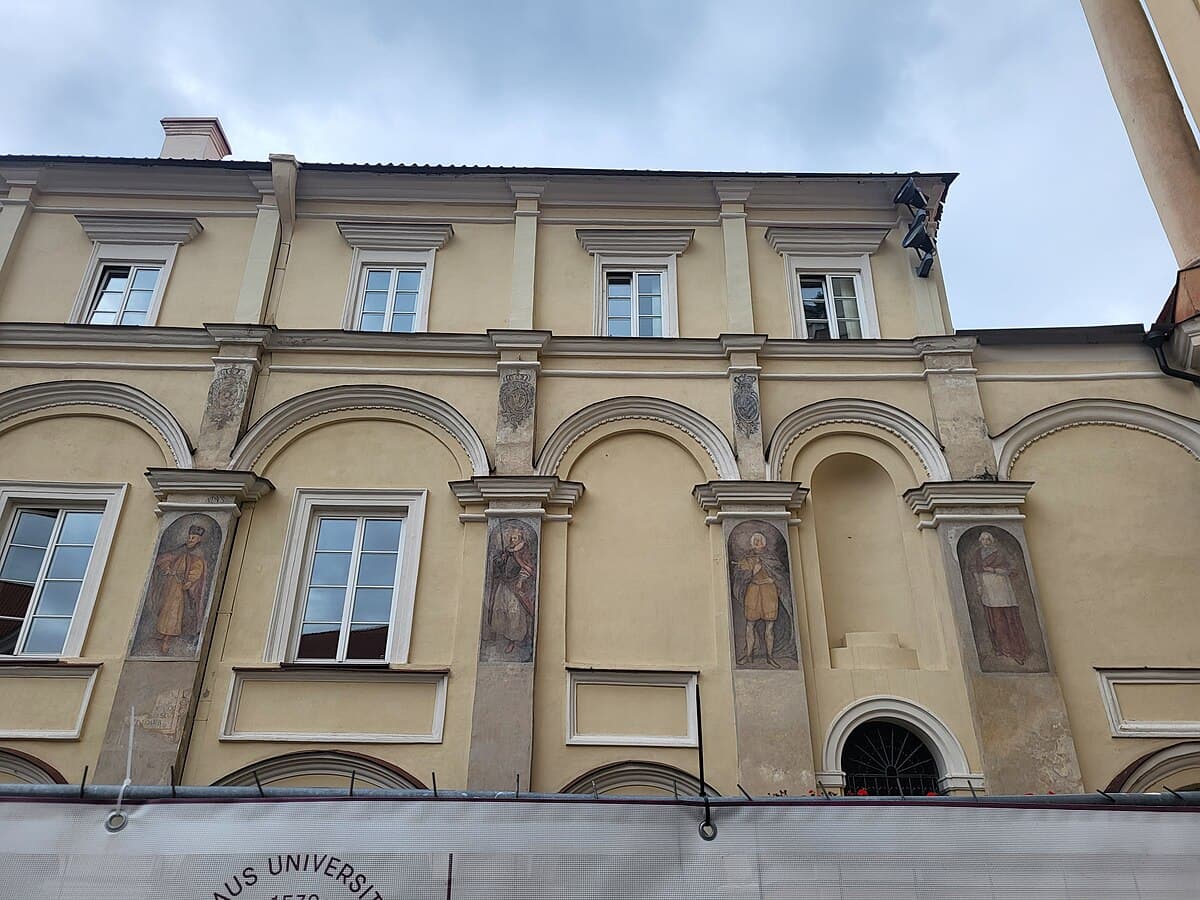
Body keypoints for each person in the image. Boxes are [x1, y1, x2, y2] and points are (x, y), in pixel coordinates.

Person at [968, 529, 1028, 665]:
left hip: (1002, 587)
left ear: (992, 540)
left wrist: (994, 570)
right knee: (994, 618)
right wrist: (979, 585)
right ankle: (1000, 647)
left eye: (987, 539)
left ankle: (1016, 650)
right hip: (988, 589)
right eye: (983, 540)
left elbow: (1011, 569)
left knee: (1008, 617)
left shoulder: (1000, 554)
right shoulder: (978, 554)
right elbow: (975, 569)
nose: (985, 542)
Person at [150, 524, 208, 655]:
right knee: (165, 608)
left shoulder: (198, 555)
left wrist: (190, 581)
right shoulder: (181, 550)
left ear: (198, 540)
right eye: (189, 537)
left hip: (181, 588)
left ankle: (167, 638)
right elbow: (167, 559)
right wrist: (166, 567)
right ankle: (161, 633)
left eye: (193, 538)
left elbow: (197, 569)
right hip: (170, 584)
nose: (190, 540)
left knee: (175, 612)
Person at [735, 531, 785, 667]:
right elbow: (740, 576)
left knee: (770, 626)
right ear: (752, 543)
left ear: (764, 542)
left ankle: (770, 656)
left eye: (760, 540)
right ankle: (749, 655)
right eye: (755, 540)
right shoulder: (747, 558)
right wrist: (753, 572)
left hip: (769, 592)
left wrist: (772, 579)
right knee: (750, 624)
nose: (758, 543)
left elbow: (781, 575)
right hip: (753, 592)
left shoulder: (771, 558)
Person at [487, 524, 536, 654]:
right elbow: (500, 565)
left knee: (515, 613)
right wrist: (501, 560)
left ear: (520, 538)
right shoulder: (508, 550)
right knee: (500, 610)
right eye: (511, 538)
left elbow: (528, 568)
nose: (511, 540)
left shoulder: (523, 551)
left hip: (516, 586)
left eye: (514, 538)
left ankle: (513, 640)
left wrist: (520, 581)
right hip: (504, 584)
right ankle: (502, 636)